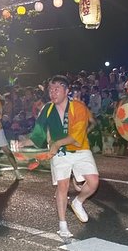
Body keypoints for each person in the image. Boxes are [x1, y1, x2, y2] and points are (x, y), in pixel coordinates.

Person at [20, 75, 99, 238]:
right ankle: (63, 225)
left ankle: (78, 202)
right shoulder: (47, 109)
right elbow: (38, 132)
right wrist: (25, 142)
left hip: (80, 149)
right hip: (61, 154)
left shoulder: (79, 107)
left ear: (67, 90)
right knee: (62, 186)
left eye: (57, 88)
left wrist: (56, 144)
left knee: (93, 182)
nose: (53, 92)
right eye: (51, 89)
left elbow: (76, 137)